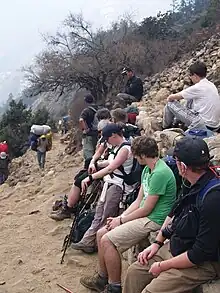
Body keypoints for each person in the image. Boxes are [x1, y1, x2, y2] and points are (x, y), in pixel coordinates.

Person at [121, 136, 220, 293]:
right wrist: (157, 243)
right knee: (135, 272)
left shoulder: (212, 198)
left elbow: (200, 253)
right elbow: (175, 213)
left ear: (182, 167)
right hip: (178, 246)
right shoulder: (191, 183)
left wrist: (162, 266)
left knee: (151, 291)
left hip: (203, 262)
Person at [80, 136, 176, 293]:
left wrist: (122, 220)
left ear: (143, 155)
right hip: (145, 215)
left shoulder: (160, 173)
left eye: (137, 155)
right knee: (101, 233)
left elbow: (147, 209)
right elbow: (139, 201)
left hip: (154, 220)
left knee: (108, 240)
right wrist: (119, 218)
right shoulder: (148, 170)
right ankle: (101, 278)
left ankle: (114, 286)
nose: (136, 158)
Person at [70, 123, 137, 253]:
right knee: (99, 213)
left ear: (114, 135)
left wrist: (90, 177)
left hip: (118, 186)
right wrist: (96, 163)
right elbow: (111, 163)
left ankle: (97, 243)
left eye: (107, 138)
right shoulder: (118, 147)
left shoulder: (125, 149)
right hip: (110, 183)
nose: (106, 142)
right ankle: (88, 241)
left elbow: (112, 167)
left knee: (107, 215)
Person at [163, 61, 220, 131]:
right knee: (189, 100)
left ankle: (165, 128)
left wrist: (170, 98)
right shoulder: (211, 85)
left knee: (170, 104)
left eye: (190, 75)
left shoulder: (198, 87)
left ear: (195, 76)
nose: (190, 77)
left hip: (203, 124)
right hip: (215, 125)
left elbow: (173, 97)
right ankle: (177, 122)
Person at [79, 94, 99, 161]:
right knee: (96, 150)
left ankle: (89, 167)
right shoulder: (98, 108)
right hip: (98, 133)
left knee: (88, 152)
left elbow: (81, 120)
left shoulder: (86, 110)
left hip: (89, 135)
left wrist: (86, 129)